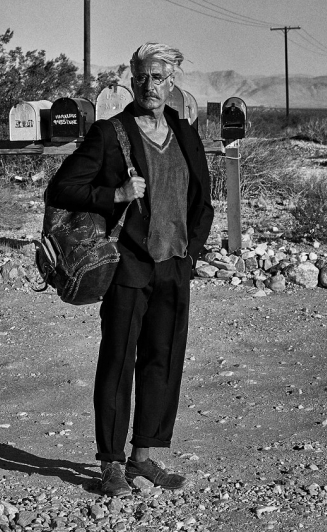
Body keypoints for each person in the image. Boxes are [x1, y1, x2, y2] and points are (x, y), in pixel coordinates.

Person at [45, 42, 214, 496]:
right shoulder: (110, 133)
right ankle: (111, 464)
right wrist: (115, 195)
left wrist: (191, 255)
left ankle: (143, 457)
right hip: (128, 265)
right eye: (140, 78)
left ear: (171, 82)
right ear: (131, 81)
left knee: (163, 360)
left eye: (157, 77)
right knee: (118, 361)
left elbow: (203, 200)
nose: (148, 86)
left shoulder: (184, 131)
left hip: (174, 266)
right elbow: (61, 188)